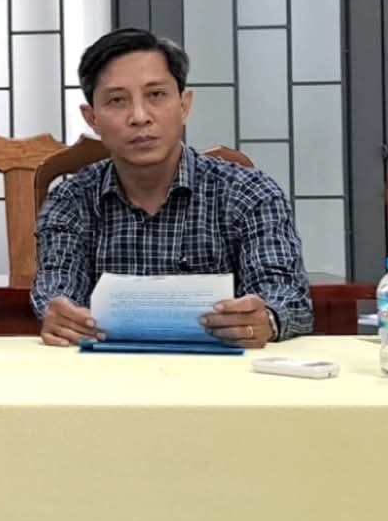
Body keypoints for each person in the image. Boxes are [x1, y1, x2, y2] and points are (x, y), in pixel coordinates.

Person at [33, 28, 313, 348]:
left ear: (184, 105)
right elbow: (57, 291)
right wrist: (61, 317)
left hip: (224, 374)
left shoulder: (250, 193)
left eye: (156, 95)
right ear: (92, 118)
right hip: (106, 373)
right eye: (117, 100)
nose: (139, 117)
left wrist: (267, 319)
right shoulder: (71, 201)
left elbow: (288, 297)